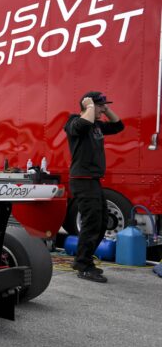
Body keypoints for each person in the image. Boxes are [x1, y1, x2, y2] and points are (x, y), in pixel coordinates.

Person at [64, 91, 124, 283]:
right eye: (100, 106)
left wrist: (106, 109)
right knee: (91, 223)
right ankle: (83, 266)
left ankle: (84, 260)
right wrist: (90, 106)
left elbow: (118, 126)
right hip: (82, 179)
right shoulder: (74, 122)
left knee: (101, 221)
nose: (102, 109)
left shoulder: (97, 126)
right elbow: (82, 124)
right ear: (88, 105)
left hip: (93, 180)